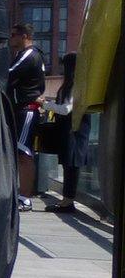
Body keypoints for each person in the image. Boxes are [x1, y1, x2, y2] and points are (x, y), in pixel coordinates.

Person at [6, 23, 47, 210]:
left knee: (24, 153)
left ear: (24, 36)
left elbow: (7, 75)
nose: (10, 38)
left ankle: (25, 198)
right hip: (22, 109)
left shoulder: (29, 55)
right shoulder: (24, 55)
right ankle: (20, 194)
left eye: (14, 35)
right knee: (20, 152)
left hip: (27, 110)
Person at [47, 51, 93, 215]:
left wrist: (45, 105)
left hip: (75, 130)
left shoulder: (77, 85)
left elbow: (66, 109)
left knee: (71, 165)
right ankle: (67, 200)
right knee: (69, 165)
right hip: (73, 129)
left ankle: (68, 201)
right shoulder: (74, 84)